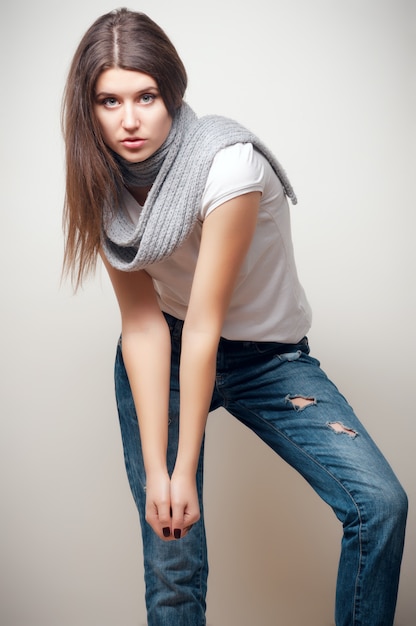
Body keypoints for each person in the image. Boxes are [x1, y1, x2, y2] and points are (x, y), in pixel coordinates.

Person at [62, 8, 407, 626]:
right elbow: (143, 324)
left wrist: (185, 467)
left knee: (379, 504)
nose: (130, 120)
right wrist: (161, 477)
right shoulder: (99, 181)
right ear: (87, 109)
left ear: (173, 91)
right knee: (173, 562)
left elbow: (205, 322)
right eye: (109, 101)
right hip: (163, 347)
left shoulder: (229, 164)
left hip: (266, 359)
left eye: (146, 95)